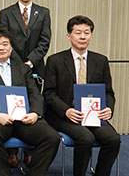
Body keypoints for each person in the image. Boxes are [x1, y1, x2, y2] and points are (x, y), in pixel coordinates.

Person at [0, 29, 59, 176]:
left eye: (5, 44)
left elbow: (34, 93)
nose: (1, 48)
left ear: (11, 47)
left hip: (24, 118)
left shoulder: (23, 69)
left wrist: (35, 113)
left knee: (52, 137)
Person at [43, 16, 120, 176]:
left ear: (91, 35)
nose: (83, 36)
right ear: (69, 36)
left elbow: (108, 92)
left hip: (93, 115)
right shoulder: (55, 60)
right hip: (64, 116)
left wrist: (109, 109)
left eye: (87, 32)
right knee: (85, 138)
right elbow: (49, 94)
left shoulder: (101, 60)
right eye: (78, 33)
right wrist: (66, 111)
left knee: (113, 139)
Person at [0, 0, 52, 166]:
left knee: (33, 107)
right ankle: (11, 151)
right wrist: (18, 62)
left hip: (36, 67)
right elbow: (4, 41)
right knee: (11, 107)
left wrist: (29, 61)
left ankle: (30, 150)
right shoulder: (6, 13)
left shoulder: (44, 12)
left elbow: (45, 41)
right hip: (10, 67)